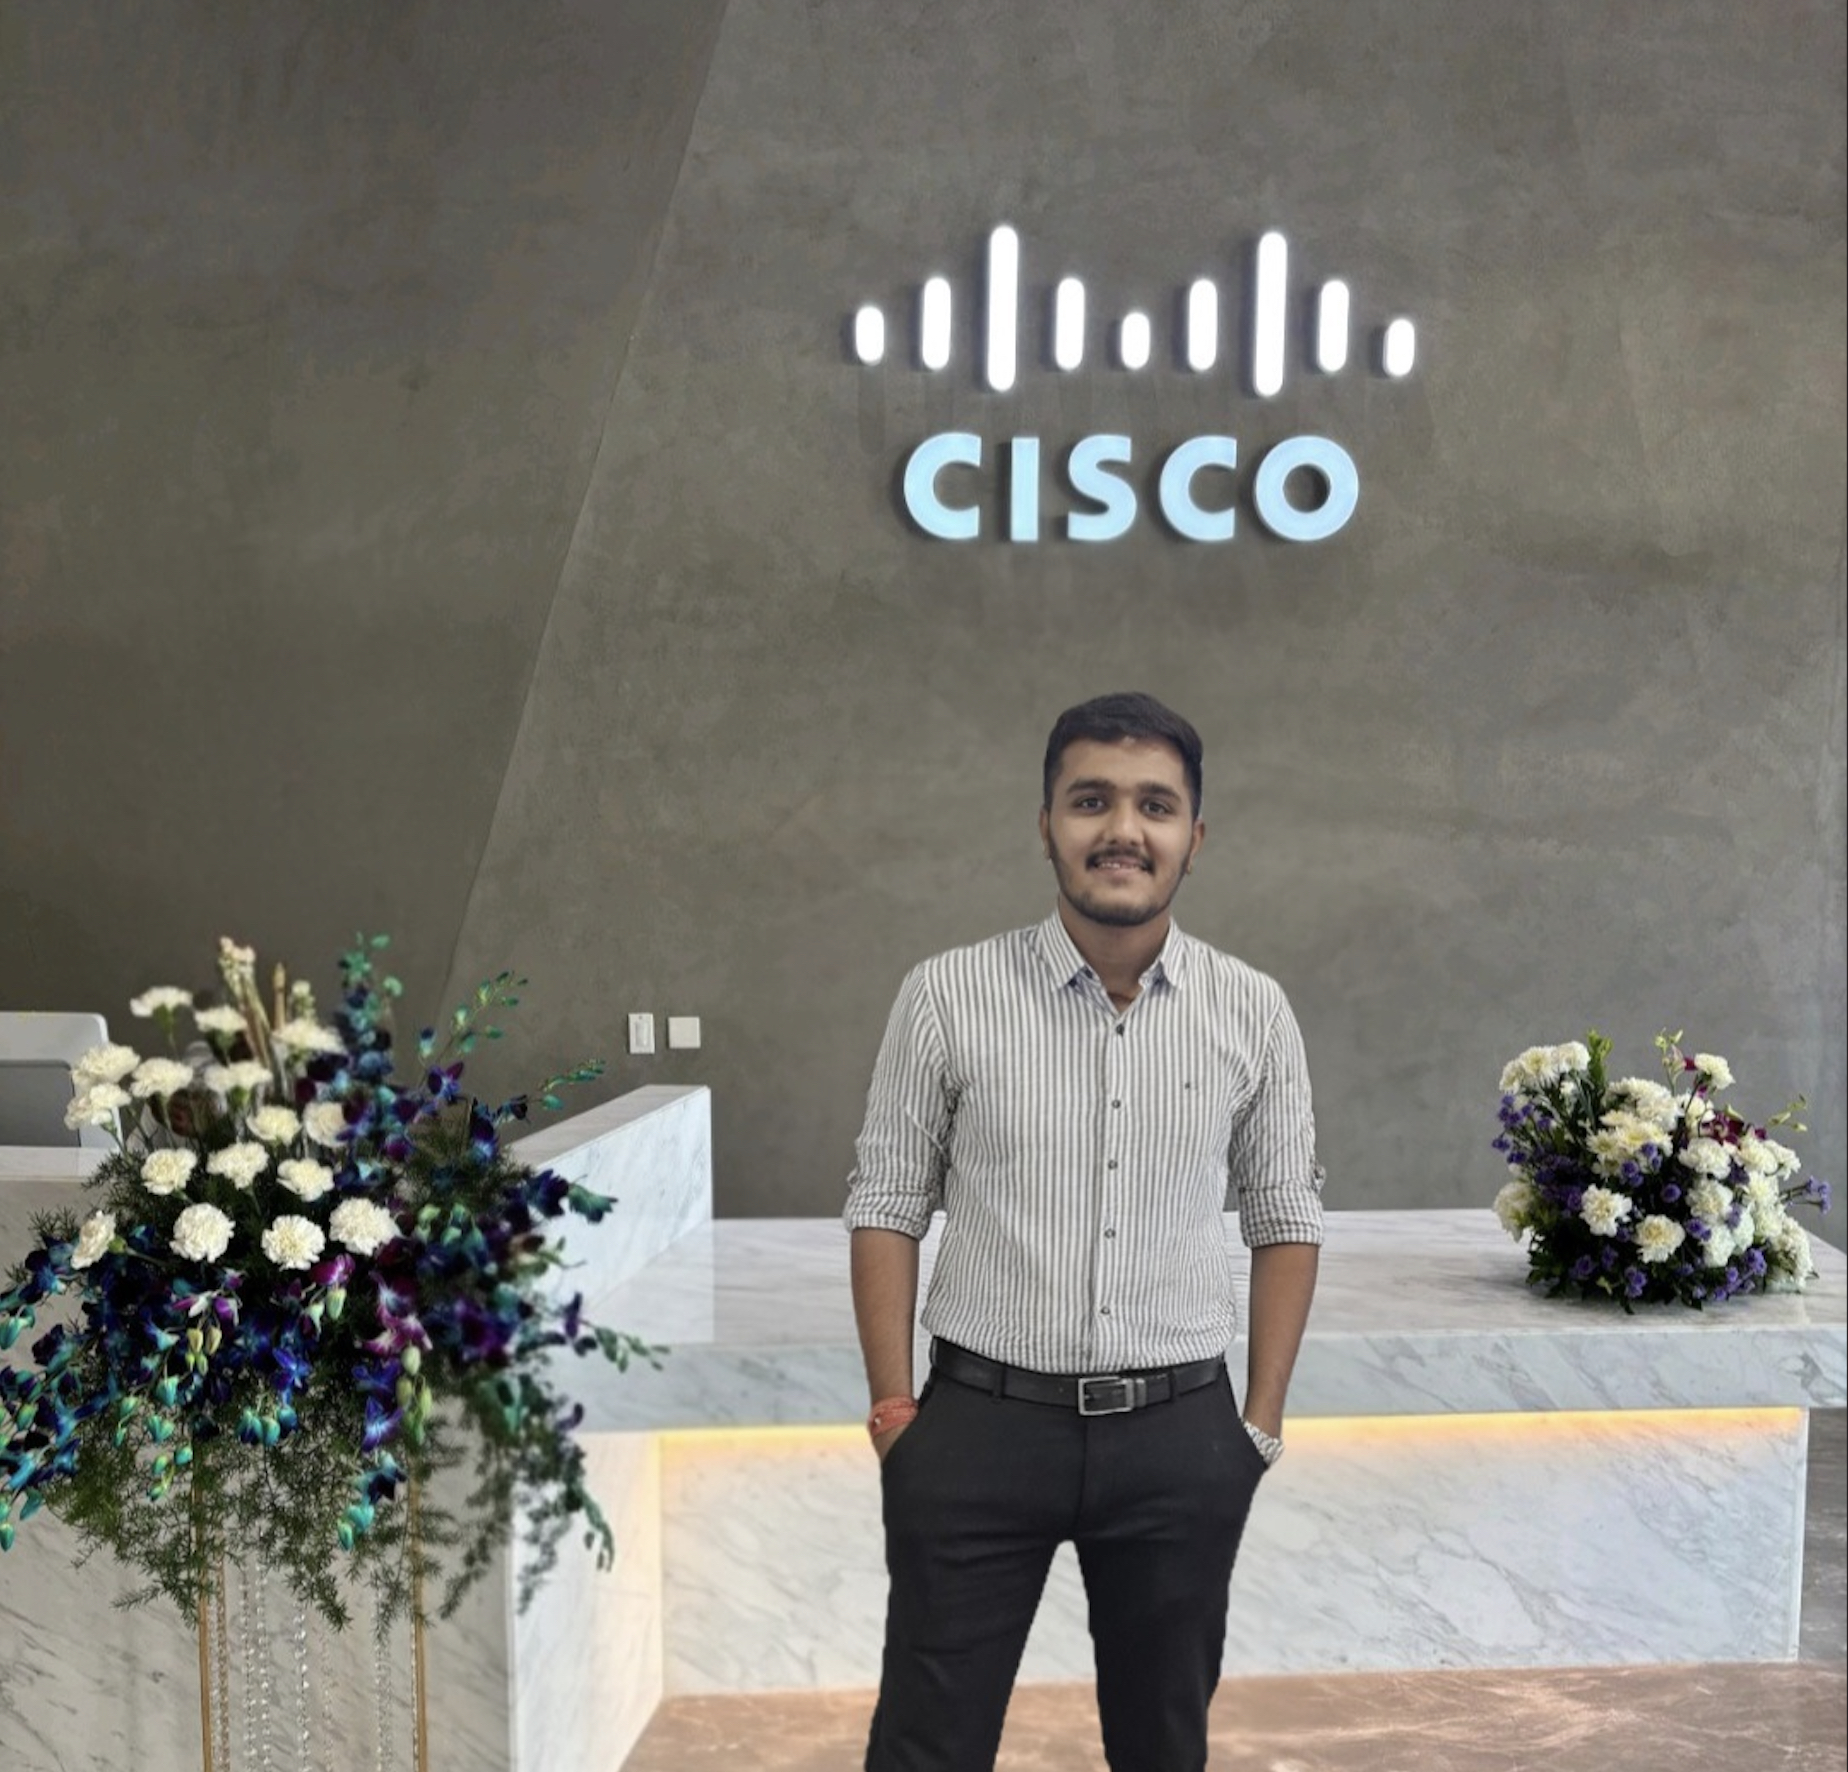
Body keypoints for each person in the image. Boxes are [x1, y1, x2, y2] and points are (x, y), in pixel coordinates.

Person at [843, 690, 1325, 1772]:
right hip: (977, 1426)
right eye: (1091, 799)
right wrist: (894, 1415)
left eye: (1155, 804)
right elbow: (887, 1199)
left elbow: (1285, 1216)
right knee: (927, 1740)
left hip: (1180, 1433)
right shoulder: (947, 995)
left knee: (1164, 1745)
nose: (1123, 829)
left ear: (1193, 837)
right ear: (1047, 822)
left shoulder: (1252, 1009)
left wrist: (1256, 1428)